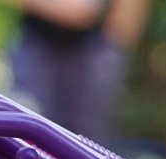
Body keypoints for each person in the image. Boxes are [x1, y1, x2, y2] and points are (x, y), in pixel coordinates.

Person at [9, 0, 152, 147]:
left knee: (86, 140)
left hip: (96, 44)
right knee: (29, 128)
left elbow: (125, 20)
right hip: (37, 38)